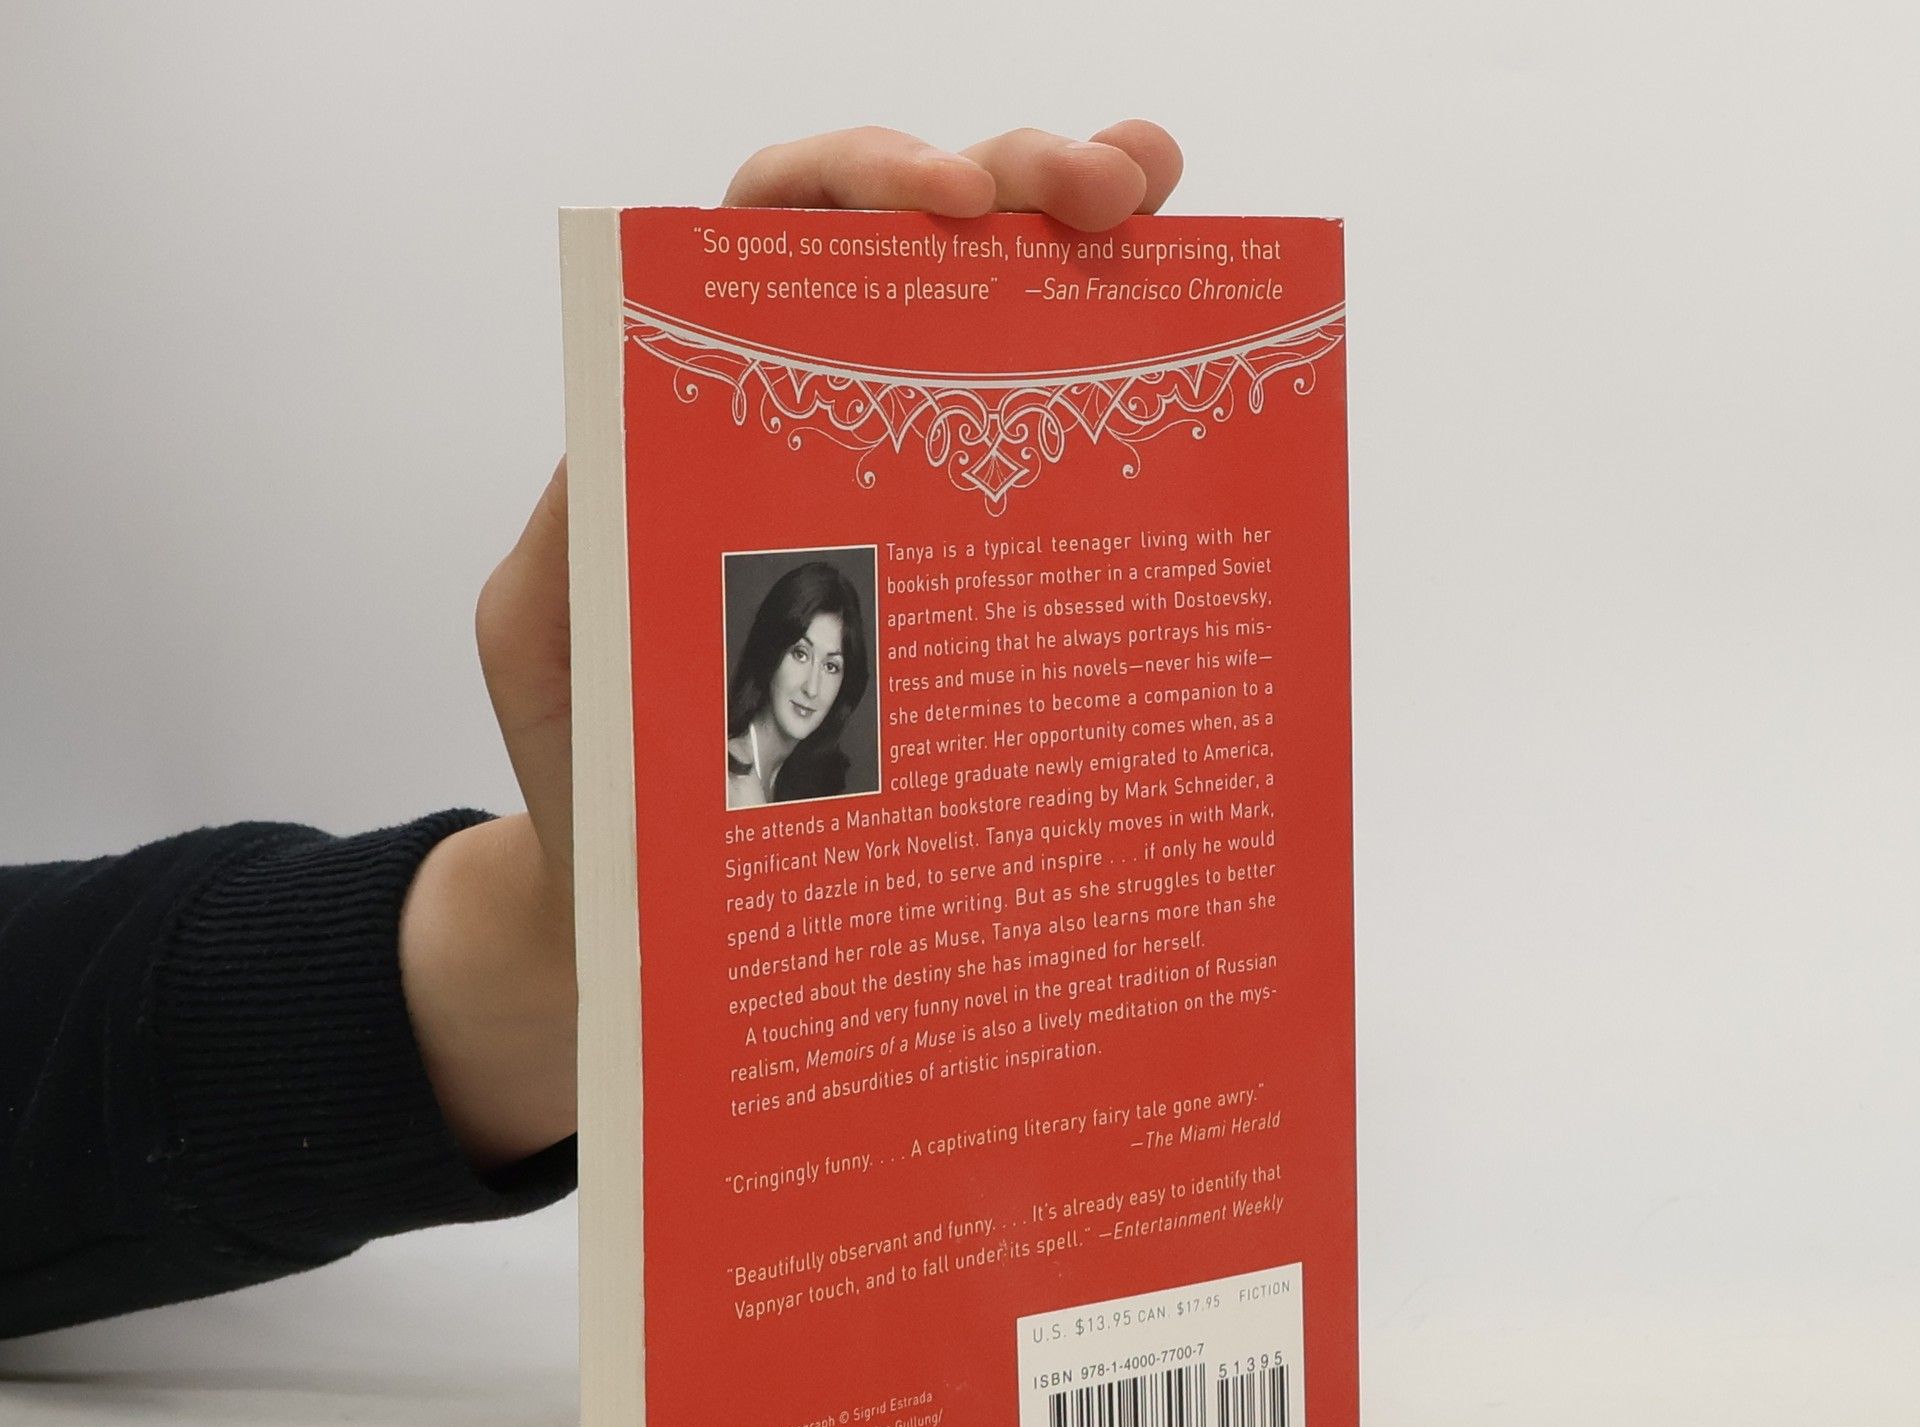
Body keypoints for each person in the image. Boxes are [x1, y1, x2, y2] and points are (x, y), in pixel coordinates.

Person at [0, 119, 1185, 1342]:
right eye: (800, 648)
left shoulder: (842, 789)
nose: (815, 679)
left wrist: (573, 944)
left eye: (839, 662)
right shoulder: (743, 770)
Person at [725, 560, 872, 807]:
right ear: (771, 650)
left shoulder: (800, 778)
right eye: (800, 654)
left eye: (831, 666)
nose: (812, 689)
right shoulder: (730, 784)